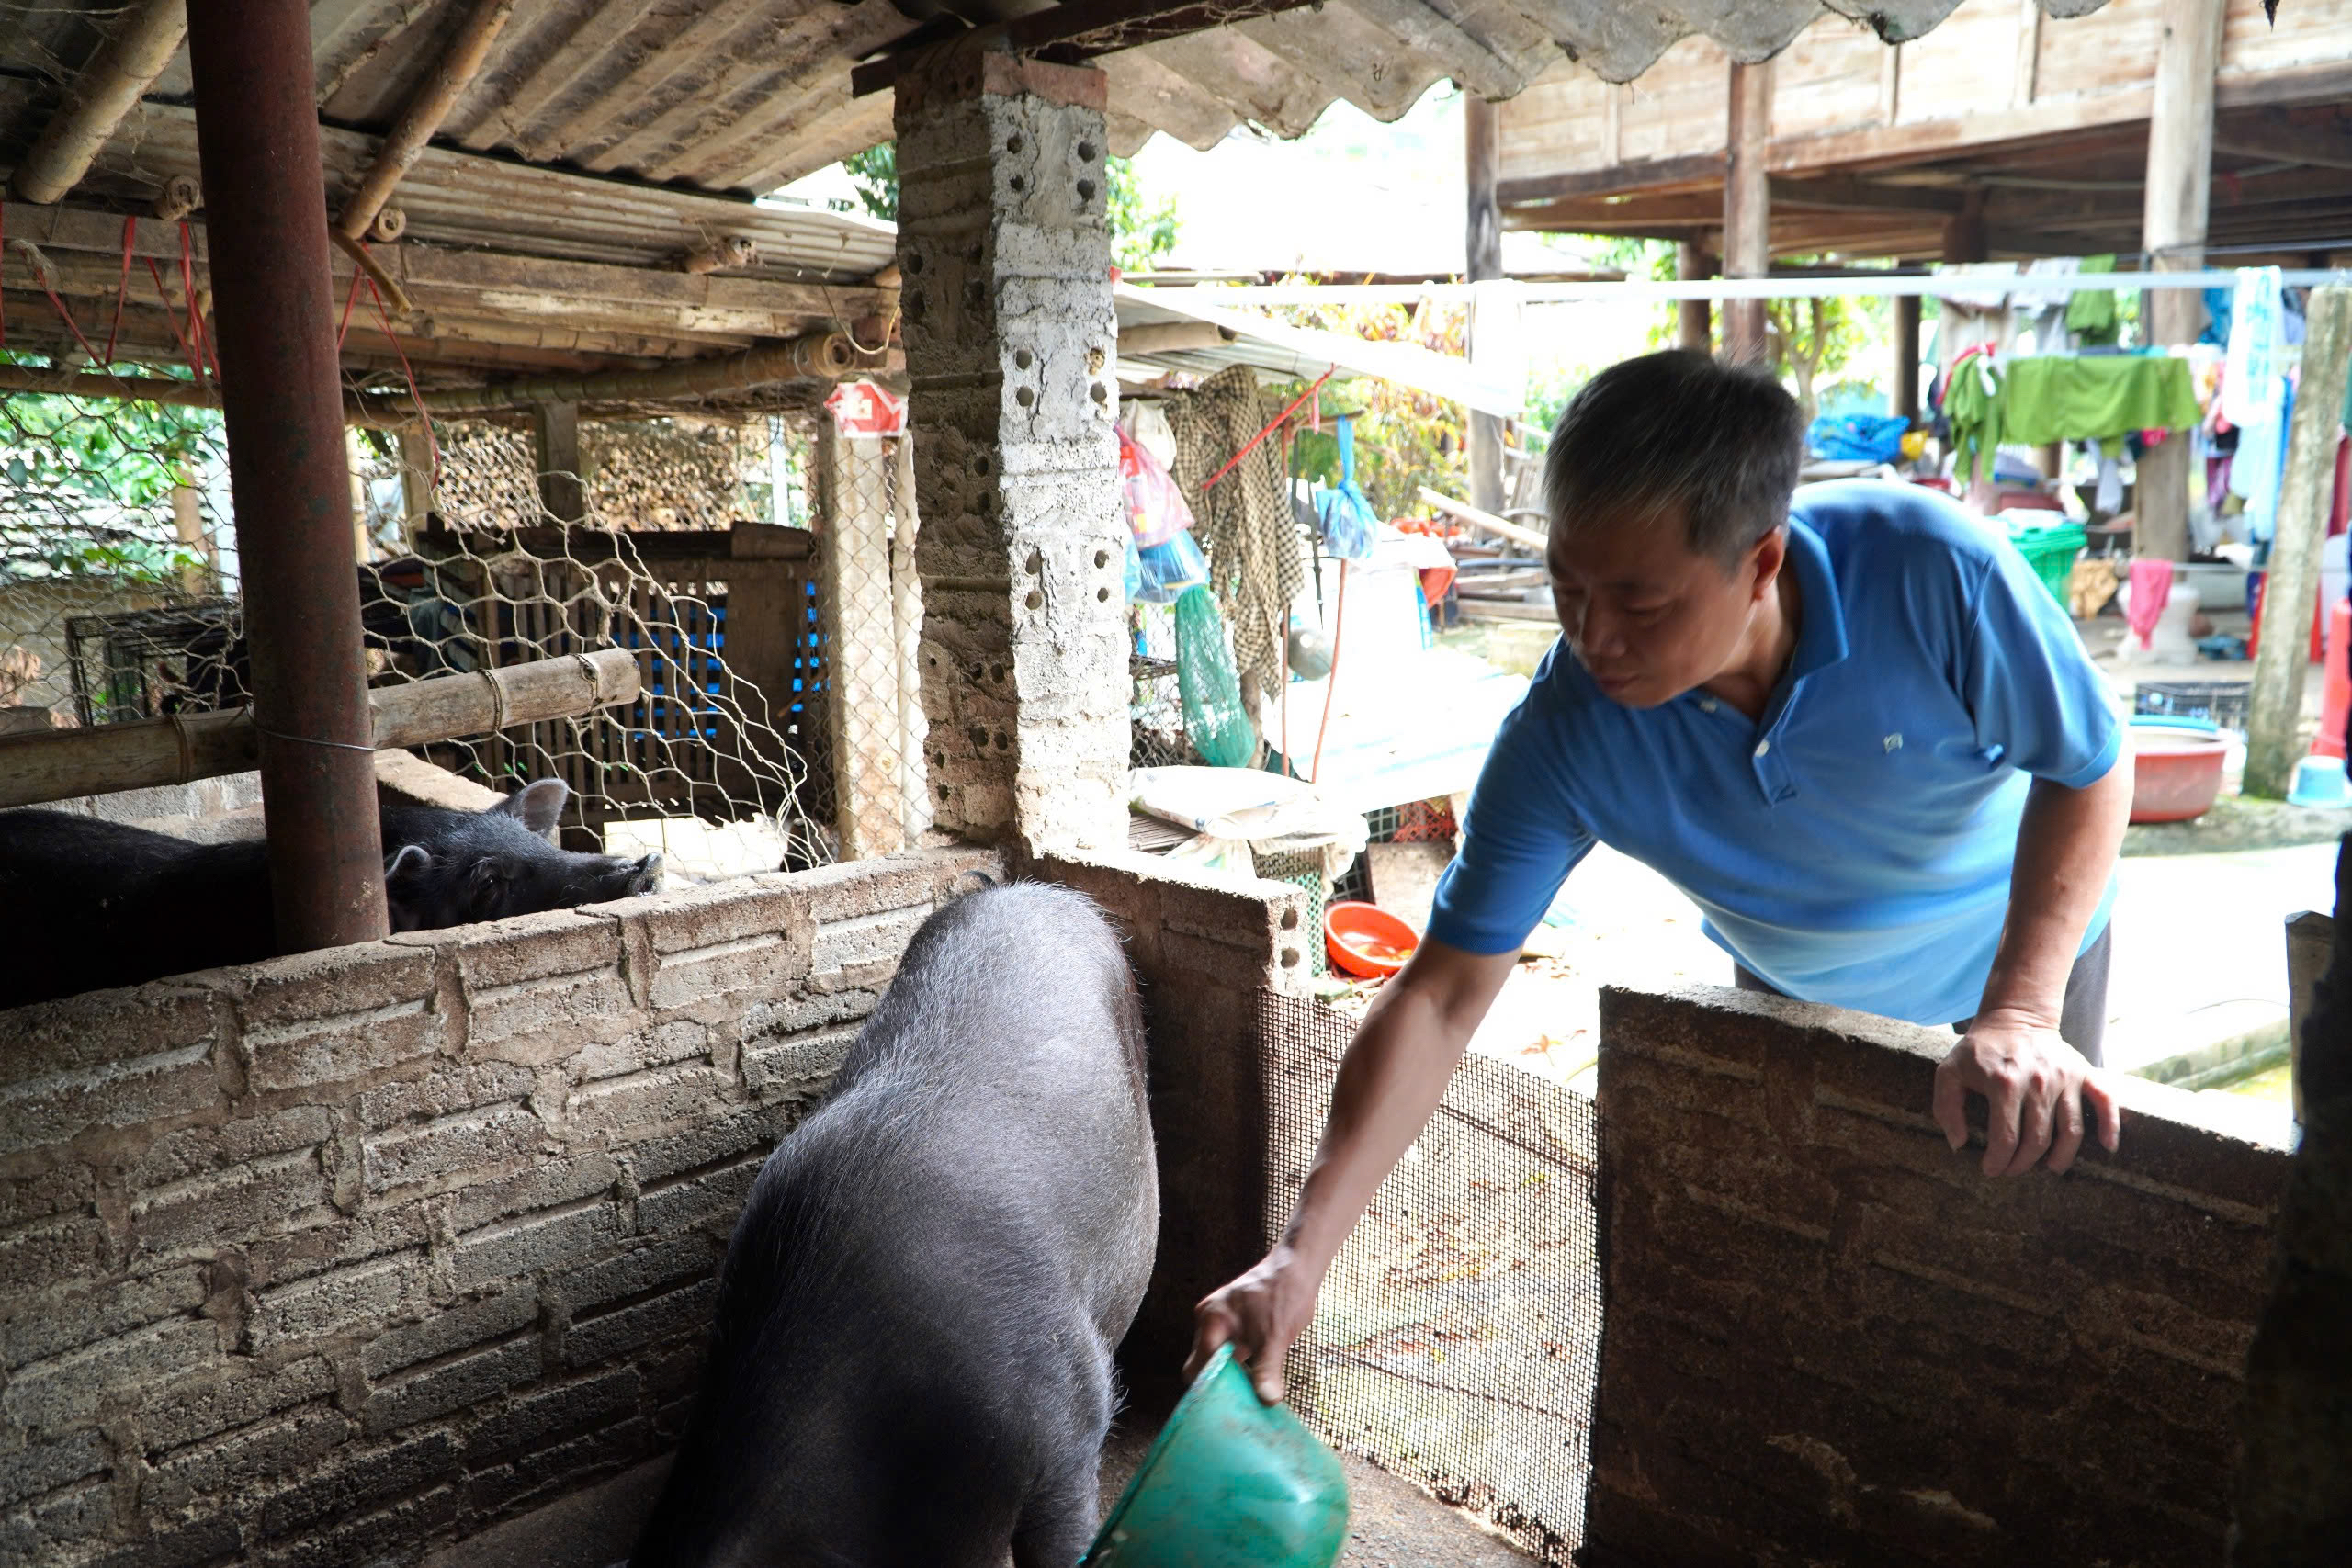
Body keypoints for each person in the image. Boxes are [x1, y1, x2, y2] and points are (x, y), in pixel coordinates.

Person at [1191, 350, 2134, 1403]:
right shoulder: (1567, 735)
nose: (1593, 639)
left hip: (2019, 971)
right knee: (1820, 1293)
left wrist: (2018, 1010)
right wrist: (1299, 1256)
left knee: (2022, 1288)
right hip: (1796, 992)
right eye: (1566, 588)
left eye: (1639, 604)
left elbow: (2090, 767)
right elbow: (1440, 998)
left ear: (1762, 562)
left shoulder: (1934, 571)